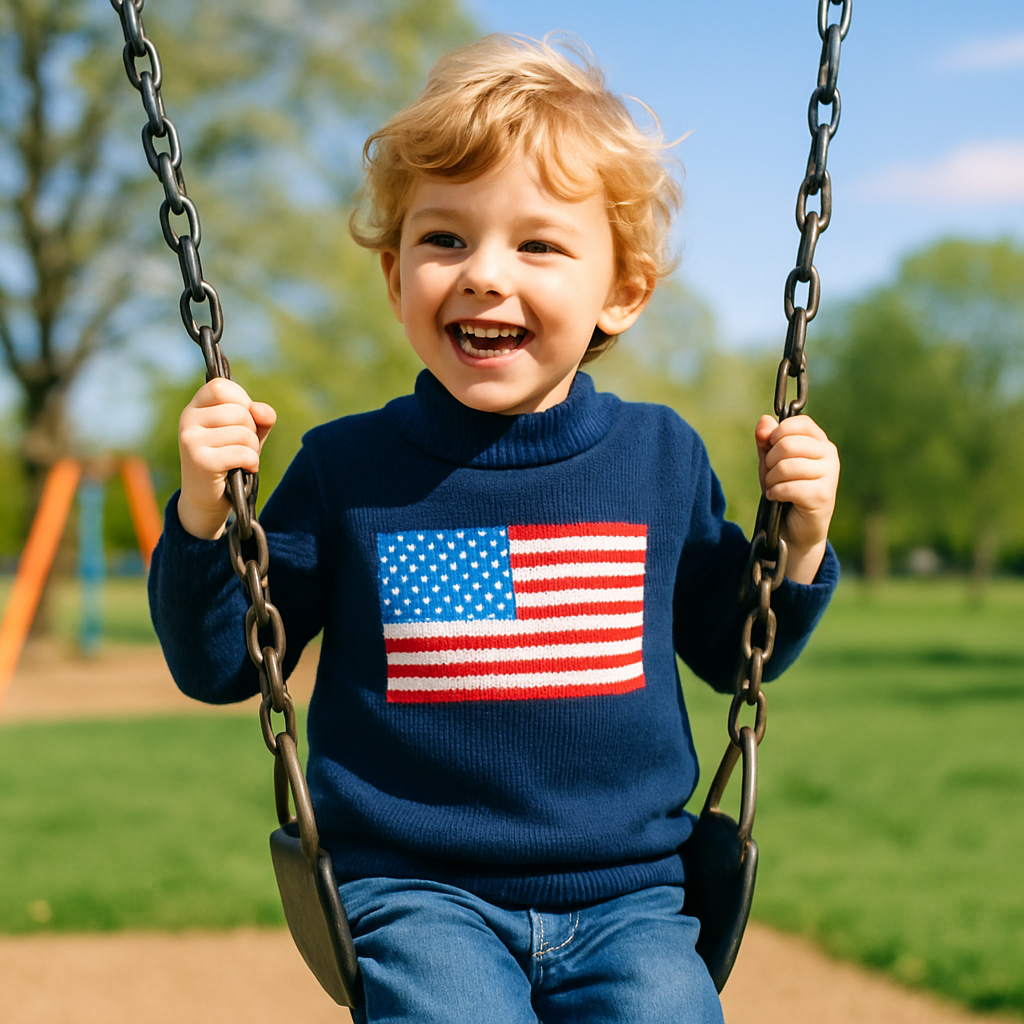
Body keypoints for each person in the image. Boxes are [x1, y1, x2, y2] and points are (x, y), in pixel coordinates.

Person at [150, 33, 840, 1024]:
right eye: (444, 240)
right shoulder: (348, 470)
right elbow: (223, 662)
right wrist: (204, 511)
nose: (483, 274)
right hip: (416, 892)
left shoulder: (660, 458)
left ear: (622, 292)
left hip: (629, 897)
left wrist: (800, 541)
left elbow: (737, 652)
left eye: (537, 245)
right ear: (395, 277)